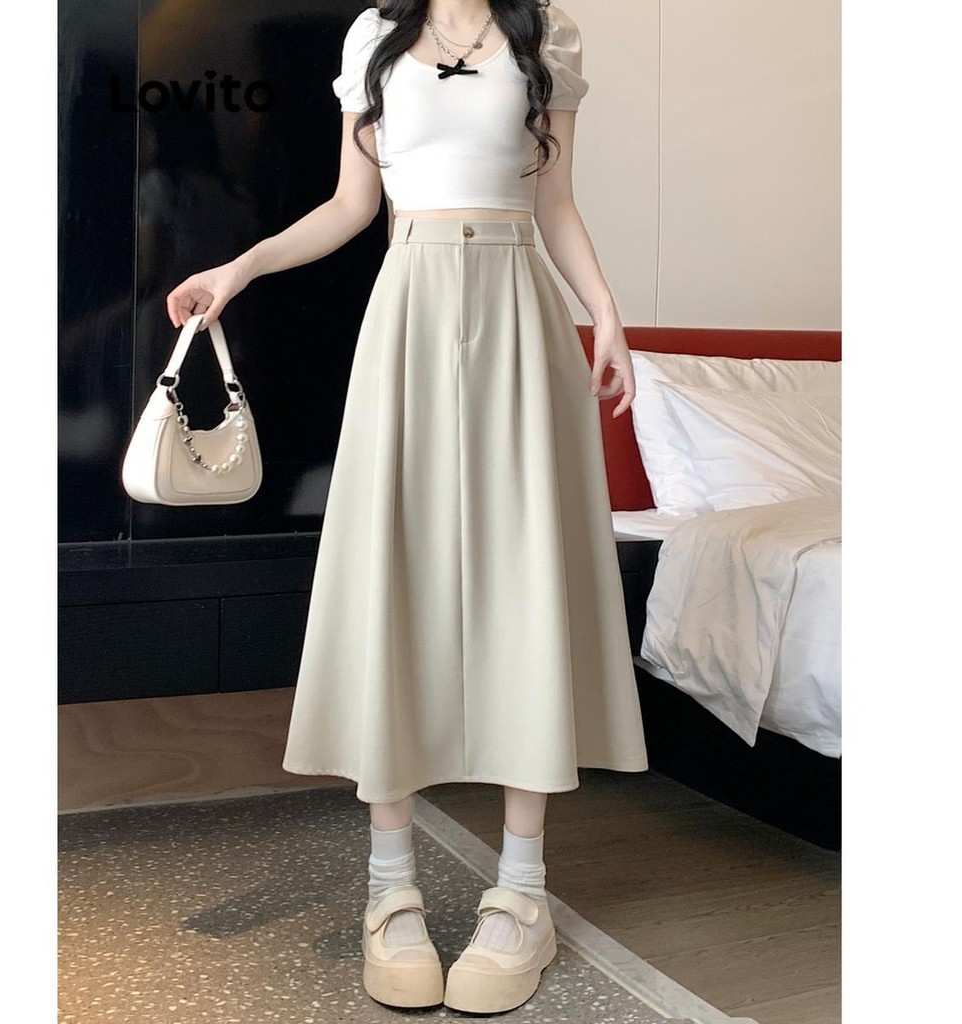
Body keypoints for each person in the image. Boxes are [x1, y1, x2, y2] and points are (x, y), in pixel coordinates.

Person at [166, 0, 648, 1014]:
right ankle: (391, 888)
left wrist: (605, 311)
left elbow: (556, 202)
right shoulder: (372, 37)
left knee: (524, 577)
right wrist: (237, 270)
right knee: (394, 567)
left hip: (519, 304)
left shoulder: (545, 32)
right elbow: (351, 206)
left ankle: (521, 893)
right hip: (410, 306)